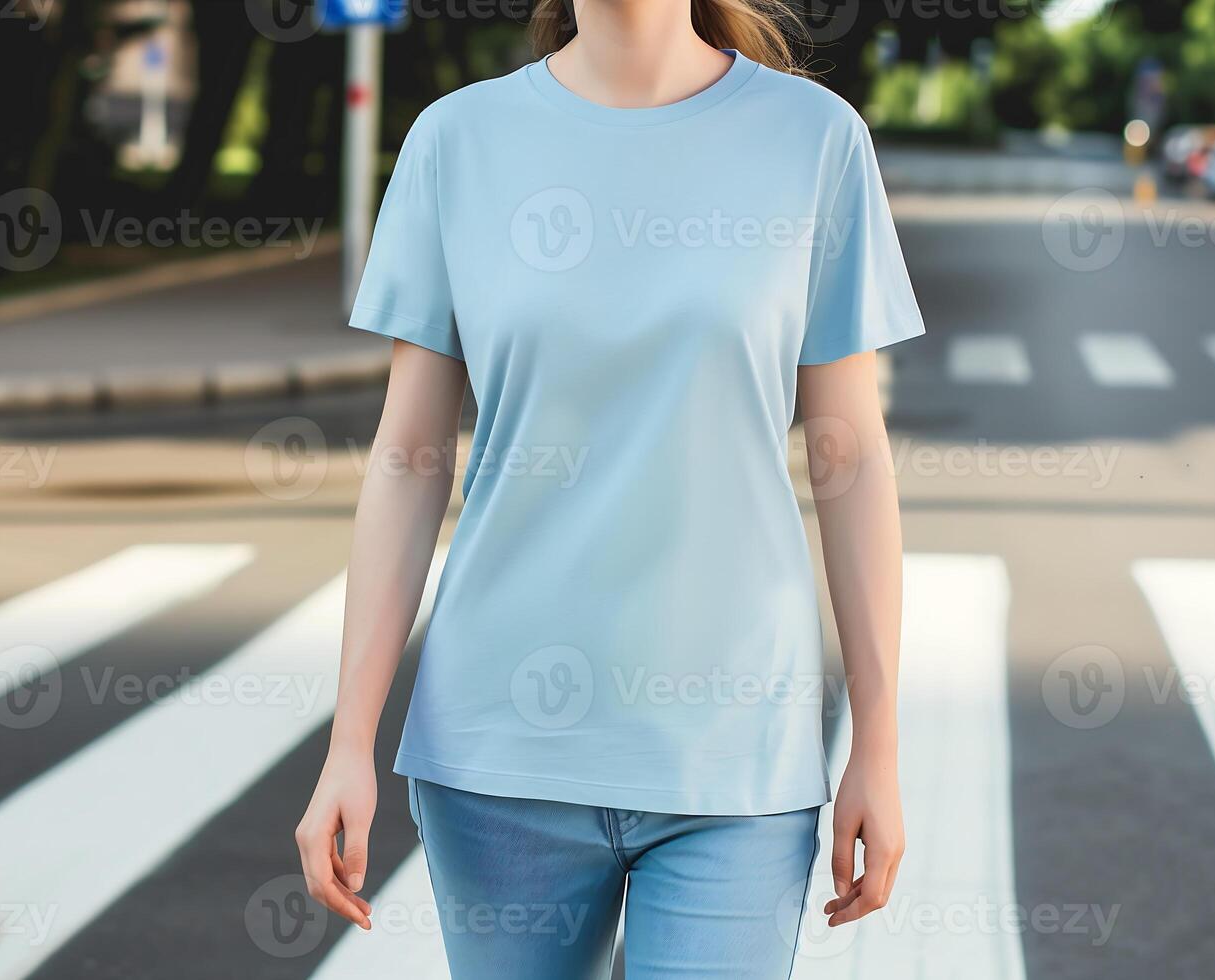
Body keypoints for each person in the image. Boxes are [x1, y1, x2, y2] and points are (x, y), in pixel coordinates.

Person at [295, 0, 924, 974]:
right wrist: (348, 739)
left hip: (735, 757)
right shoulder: (456, 142)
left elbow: (852, 462)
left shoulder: (814, 141)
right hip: (498, 755)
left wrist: (876, 746)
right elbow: (408, 459)